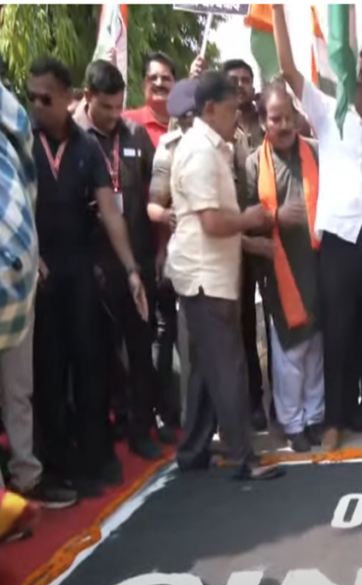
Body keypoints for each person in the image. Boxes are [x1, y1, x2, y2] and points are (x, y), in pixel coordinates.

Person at [273, 8, 362, 452]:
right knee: (339, 334)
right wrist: (276, 10)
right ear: (344, 74)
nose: (360, 79)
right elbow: (289, 71)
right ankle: (335, 420)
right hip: (337, 245)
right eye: (355, 72)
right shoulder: (328, 113)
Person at [29, 57, 148, 497]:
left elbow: (111, 213)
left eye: (45, 97)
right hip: (38, 276)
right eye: (31, 96)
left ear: (67, 97)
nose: (36, 105)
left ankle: (97, 456)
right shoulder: (20, 140)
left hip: (80, 270)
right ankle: (57, 465)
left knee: (91, 364)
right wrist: (29, 254)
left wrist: (132, 270)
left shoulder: (86, 149)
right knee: (49, 372)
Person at [166, 69, 282, 481]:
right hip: (205, 278)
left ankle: (194, 450)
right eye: (232, 110)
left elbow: (208, 225)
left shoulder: (212, 147)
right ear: (210, 109)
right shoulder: (199, 151)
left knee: (204, 369)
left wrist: (250, 243)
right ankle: (242, 457)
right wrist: (249, 219)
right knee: (229, 366)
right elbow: (213, 223)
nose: (237, 117)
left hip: (210, 273)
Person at [76, 59, 171, 461]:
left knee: (141, 346)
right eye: (106, 108)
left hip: (140, 262)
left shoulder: (135, 135)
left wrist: (163, 243)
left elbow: (159, 191)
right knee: (97, 354)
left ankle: (141, 428)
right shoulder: (77, 141)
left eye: (119, 106)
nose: (116, 115)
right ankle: (101, 435)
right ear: (87, 99)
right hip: (94, 266)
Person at [0, 82, 76, 507]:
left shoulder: (12, 148)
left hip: (16, 286)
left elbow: (22, 203)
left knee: (18, 390)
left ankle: (26, 478)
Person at [244, 81, 323, 453]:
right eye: (276, 119)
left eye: (289, 117)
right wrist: (276, 216)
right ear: (264, 123)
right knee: (290, 352)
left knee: (315, 348)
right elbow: (242, 217)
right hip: (280, 270)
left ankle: (314, 417)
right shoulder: (253, 164)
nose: (285, 125)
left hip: (317, 265)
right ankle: (292, 422)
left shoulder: (314, 154)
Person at [147, 79, 198, 432]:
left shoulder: (226, 141)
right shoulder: (167, 148)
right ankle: (181, 417)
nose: (189, 123)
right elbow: (152, 204)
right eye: (184, 118)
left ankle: (217, 419)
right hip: (181, 260)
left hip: (220, 259)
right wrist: (169, 216)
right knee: (178, 342)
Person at [225, 58, 271, 432]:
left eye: (246, 79)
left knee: (277, 320)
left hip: (270, 240)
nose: (241, 85)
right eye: (234, 80)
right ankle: (253, 401)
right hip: (231, 243)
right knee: (241, 327)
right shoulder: (219, 126)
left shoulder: (267, 120)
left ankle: (282, 402)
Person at [123, 52, 178, 147]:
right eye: (153, 78)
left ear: (175, 85)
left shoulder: (186, 126)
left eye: (165, 78)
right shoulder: (125, 122)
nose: (159, 83)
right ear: (143, 85)